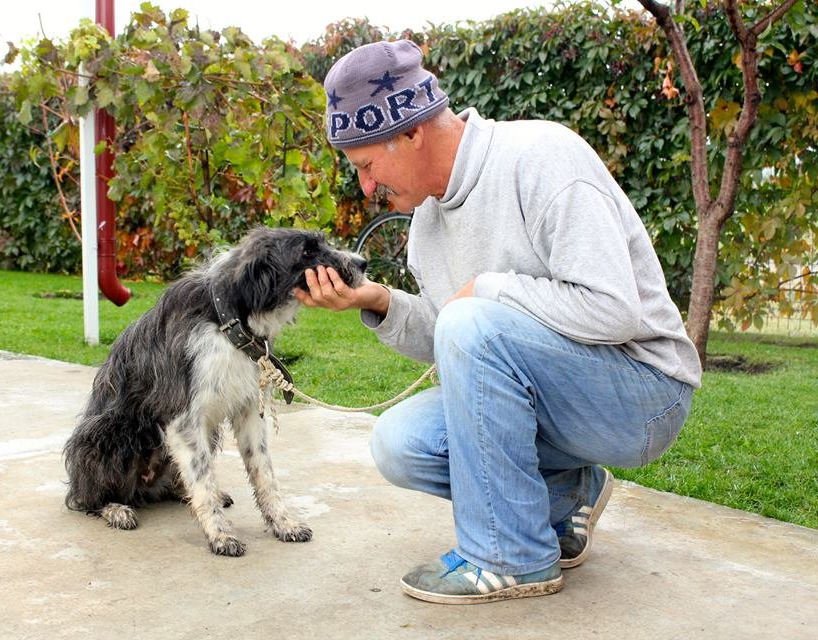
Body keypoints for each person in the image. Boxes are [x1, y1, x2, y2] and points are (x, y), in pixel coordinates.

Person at [295, 39, 702, 605]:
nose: (366, 189)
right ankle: (567, 493)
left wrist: (487, 292)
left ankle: (510, 557)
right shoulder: (426, 228)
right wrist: (379, 301)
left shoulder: (540, 157)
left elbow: (613, 309)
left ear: (411, 131)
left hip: (643, 394)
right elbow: (456, 341)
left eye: (367, 166)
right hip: (560, 403)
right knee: (400, 442)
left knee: (474, 322)